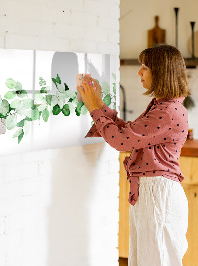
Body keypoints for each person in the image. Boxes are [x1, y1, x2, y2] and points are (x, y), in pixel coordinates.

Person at [78, 44, 190, 266]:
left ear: (161, 72)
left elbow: (121, 141)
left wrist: (93, 108)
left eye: (145, 67)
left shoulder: (167, 111)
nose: (139, 72)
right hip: (153, 193)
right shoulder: (163, 106)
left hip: (158, 195)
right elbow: (129, 133)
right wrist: (99, 104)